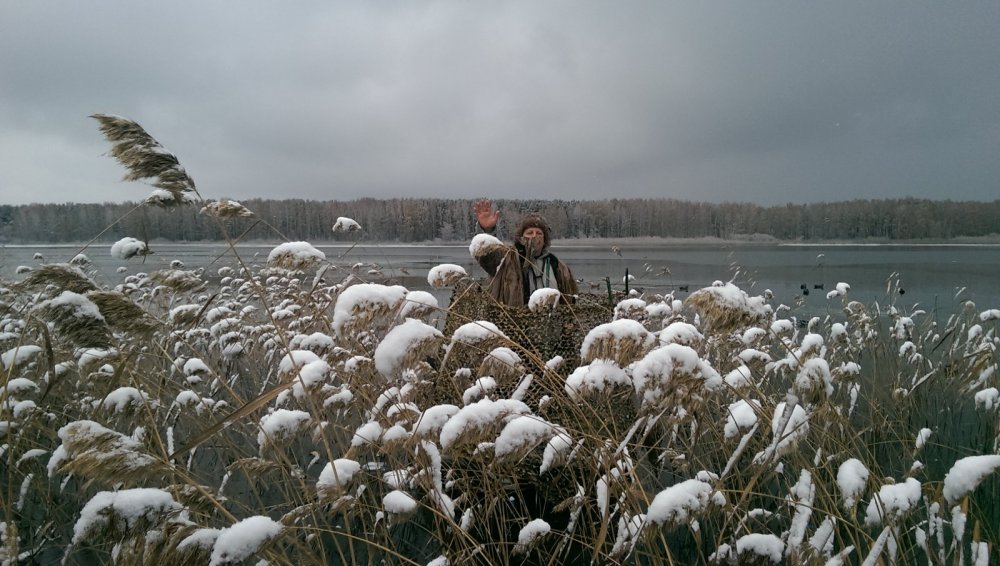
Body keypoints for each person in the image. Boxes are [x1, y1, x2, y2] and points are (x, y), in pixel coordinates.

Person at [472, 199, 578, 307]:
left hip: (551, 322)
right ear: (521, 237)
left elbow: (570, 298)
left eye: (539, 233)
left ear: (545, 239)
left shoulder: (558, 266)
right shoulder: (507, 258)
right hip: (513, 321)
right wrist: (487, 230)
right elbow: (485, 255)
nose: (534, 236)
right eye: (530, 232)